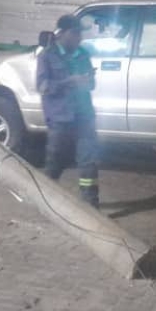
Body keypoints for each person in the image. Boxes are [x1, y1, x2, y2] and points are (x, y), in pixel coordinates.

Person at [36, 15, 100, 208]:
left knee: (89, 162)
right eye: (75, 33)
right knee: (55, 161)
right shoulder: (47, 56)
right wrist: (70, 81)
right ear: (62, 33)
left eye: (80, 34)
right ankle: (45, 201)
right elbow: (42, 87)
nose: (79, 37)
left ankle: (90, 205)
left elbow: (91, 84)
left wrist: (87, 80)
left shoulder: (83, 54)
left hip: (84, 116)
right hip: (60, 118)